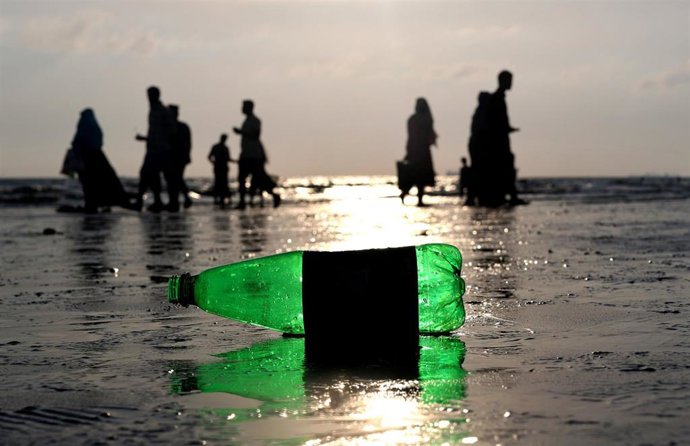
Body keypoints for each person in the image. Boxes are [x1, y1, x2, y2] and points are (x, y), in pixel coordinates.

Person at [67, 108, 138, 213]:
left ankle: (91, 204)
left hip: (87, 158)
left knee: (90, 184)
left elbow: (77, 141)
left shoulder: (84, 128)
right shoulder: (95, 128)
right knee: (103, 182)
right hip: (98, 157)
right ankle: (100, 203)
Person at [135, 86, 178, 212]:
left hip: (162, 150)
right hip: (153, 150)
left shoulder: (163, 111)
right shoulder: (153, 111)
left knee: (163, 177)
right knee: (149, 176)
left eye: (151, 95)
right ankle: (156, 201)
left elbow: (172, 131)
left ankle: (169, 203)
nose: (148, 98)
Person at [232, 100, 281, 209]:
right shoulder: (247, 121)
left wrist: (241, 132)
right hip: (246, 154)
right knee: (242, 178)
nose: (242, 109)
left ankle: (274, 195)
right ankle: (242, 202)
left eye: (244, 106)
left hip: (254, 155)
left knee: (259, 178)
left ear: (249, 108)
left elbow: (256, 135)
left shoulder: (255, 121)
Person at [487, 70, 526, 206]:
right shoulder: (497, 99)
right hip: (499, 141)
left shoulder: (498, 98)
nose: (511, 84)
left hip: (500, 139)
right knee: (506, 167)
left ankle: (507, 195)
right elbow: (497, 122)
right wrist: (507, 129)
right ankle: (511, 196)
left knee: (505, 166)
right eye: (509, 81)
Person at [401, 97, 437, 206]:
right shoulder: (423, 119)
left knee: (418, 177)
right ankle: (413, 197)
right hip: (419, 152)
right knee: (417, 177)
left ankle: (415, 198)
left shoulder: (416, 119)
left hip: (419, 151)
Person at [168, 104, 193, 209]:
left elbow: (186, 143)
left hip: (177, 157)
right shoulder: (182, 126)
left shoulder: (178, 127)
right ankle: (178, 200)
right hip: (178, 157)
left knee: (175, 179)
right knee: (176, 178)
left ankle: (177, 201)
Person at [208, 134, 232, 208]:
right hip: (218, 167)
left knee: (223, 183)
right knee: (218, 183)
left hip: (223, 167)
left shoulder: (225, 148)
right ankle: (217, 199)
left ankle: (223, 198)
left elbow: (228, 158)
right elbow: (209, 156)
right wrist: (214, 163)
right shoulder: (217, 147)